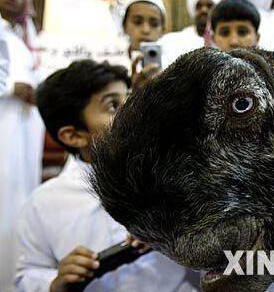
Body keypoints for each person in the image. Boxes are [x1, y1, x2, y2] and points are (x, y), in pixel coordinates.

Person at [15, 60, 199, 292]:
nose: (133, 112)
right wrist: (53, 282)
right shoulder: (43, 204)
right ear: (73, 136)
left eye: (130, 99)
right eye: (113, 105)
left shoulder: (176, 178)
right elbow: (27, 273)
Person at [0, 0, 45, 291]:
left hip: (23, 131)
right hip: (4, 127)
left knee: (19, 203)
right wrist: (7, 89)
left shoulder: (20, 37)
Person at [111, 0, 167, 89]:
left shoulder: (173, 67)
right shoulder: (112, 67)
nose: (146, 30)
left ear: (163, 30)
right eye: (137, 22)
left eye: (154, 24)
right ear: (124, 26)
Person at [160, 0, 222, 66]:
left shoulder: (224, 40)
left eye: (209, 6)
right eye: (199, 6)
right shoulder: (173, 41)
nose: (203, 10)